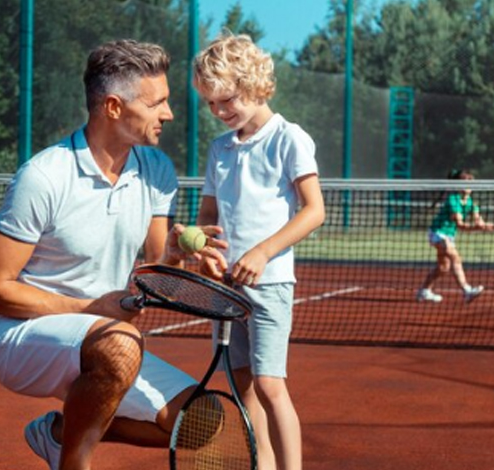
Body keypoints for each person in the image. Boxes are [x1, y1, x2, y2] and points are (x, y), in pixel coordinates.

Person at [0, 39, 228, 470]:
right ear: (113, 107)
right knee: (123, 343)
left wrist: (174, 256)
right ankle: (74, 463)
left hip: (106, 336)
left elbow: (155, 275)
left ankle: (60, 434)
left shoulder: (156, 171)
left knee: (202, 421)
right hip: (18, 337)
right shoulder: (44, 177)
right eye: (157, 103)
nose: (168, 114)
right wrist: (91, 308)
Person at [192, 32, 325, 470]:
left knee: (270, 385)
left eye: (226, 100)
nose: (218, 111)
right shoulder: (219, 149)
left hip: (269, 285)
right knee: (243, 387)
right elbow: (208, 214)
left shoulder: (289, 138)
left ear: (252, 84)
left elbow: (314, 211)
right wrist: (203, 246)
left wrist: (263, 252)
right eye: (210, 104)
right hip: (226, 289)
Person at [416, 169, 494, 304]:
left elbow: (480, 224)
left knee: (444, 268)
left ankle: (424, 291)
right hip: (437, 233)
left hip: (449, 236)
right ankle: (467, 290)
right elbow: (460, 225)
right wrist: (477, 227)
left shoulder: (471, 203)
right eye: (465, 182)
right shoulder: (453, 200)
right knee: (455, 256)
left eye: (470, 182)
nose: (468, 186)